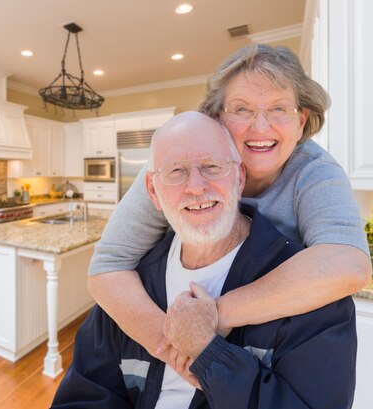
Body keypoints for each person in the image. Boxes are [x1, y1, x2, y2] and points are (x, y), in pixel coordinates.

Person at [87, 44, 370, 373]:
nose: (260, 127)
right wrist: (175, 350)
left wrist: (214, 315)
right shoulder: (171, 171)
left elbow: (348, 263)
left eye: (279, 109)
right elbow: (106, 267)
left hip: (268, 352)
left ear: (301, 120)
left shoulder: (314, 171)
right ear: (217, 118)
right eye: (242, 109)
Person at [51, 112, 357, 409]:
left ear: (239, 179)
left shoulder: (311, 294)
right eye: (175, 171)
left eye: (212, 166)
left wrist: (210, 355)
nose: (196, 186)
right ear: (153, 192)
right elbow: (85, 394)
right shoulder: (130, 289)